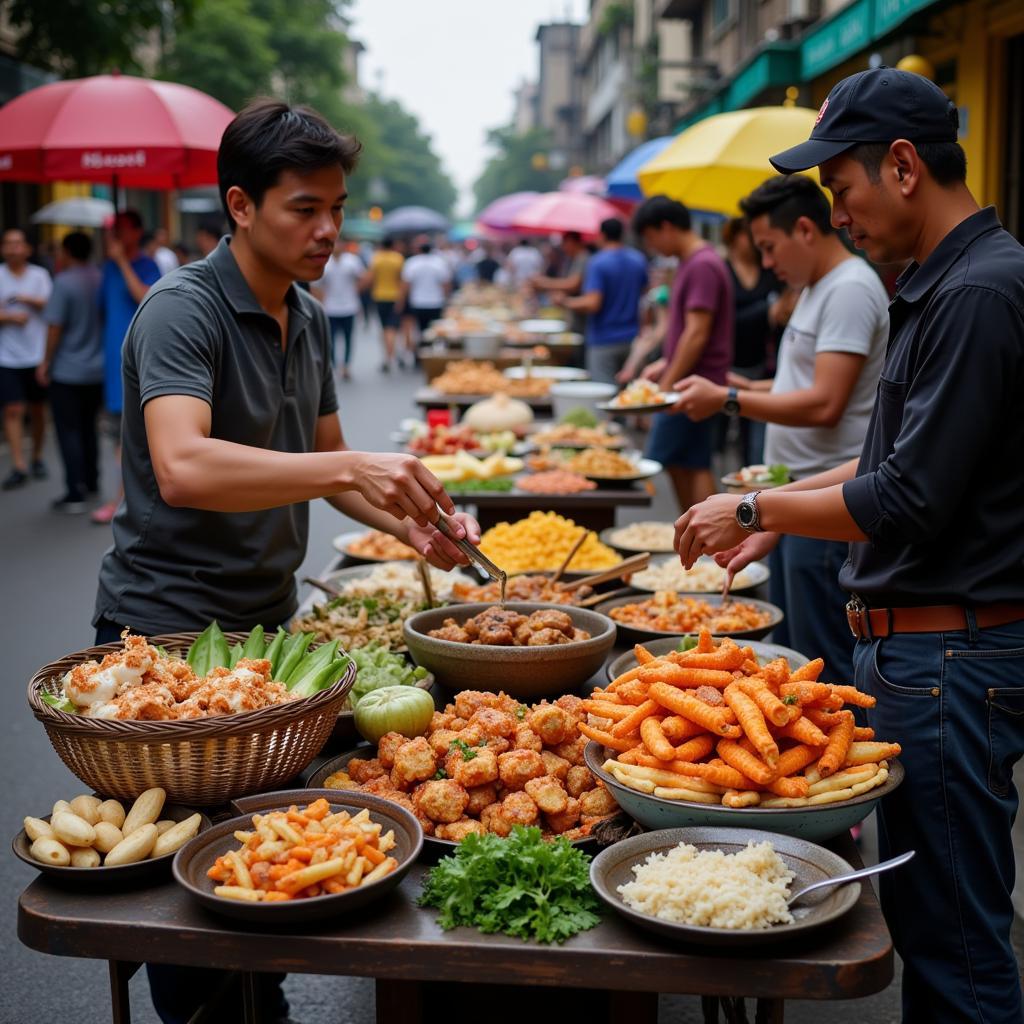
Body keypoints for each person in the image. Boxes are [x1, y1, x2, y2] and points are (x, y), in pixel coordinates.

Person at [93, 98, 480, 1024]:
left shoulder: (303, 315)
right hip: (167, 640)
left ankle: (263, 1005)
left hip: (268, 636)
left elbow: (324, 461)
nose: (329, 230)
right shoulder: (182, 311)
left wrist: (404, 518)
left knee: (263, 860)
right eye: (304, 208)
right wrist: (352, 465)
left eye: (337, 207)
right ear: (239, 205)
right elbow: (185, 466)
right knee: (189, 892)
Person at [673, 67, 1024, 1024]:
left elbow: (905, 496)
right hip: (924, 650)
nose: (840, 213)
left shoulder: (979, 294)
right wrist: (769, 505)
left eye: (842, 188)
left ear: (903, 166)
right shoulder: (937, 283)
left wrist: (753, 513)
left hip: (951, 654)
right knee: (932, 924)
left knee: (956, 946)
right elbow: (876, 458)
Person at [672, 176, 889, 680]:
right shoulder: (815, 288)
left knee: (820, 663)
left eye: (769, 247)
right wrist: (739, 385)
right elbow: (803, 382)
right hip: (795, 496)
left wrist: (729, 400)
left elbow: (825, 403)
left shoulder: (850, 289)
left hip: (829, 499)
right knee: (795, 653)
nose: (767, 263)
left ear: (806, 230)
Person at [628, 197, 732, 510]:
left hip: (692, 383)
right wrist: (665, 363)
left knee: (689, 461)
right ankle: (699, 534)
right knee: (684, 460)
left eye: (650, 237)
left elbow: (698, 332)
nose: (652, 246)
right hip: (689, 379)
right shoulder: (693, 261)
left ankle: (707, 536)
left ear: (666, 227)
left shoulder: (701, 264)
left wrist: (667, 385)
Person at [93, 210, 161, 524]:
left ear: (136, 232)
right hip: (111, 360)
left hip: (139, 358)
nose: (115, 237)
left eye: (121, 230)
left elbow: (146, 298)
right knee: (117, 434)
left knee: (135, 434)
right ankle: (124, 497)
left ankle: (124, 499)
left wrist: (122, 262)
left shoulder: (148, 265)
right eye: (113, 231)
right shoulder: (105, 268)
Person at [38, 232, 104, 514]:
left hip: (67, 370)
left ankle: (74, 491)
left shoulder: (63, 283)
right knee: (90, 427)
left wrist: (45, 361)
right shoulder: (100, 277)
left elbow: (55, 326)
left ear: (66, 252)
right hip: (98, 369)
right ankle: (92, 481)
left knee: (69, 430)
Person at [721, 216, 790, 465]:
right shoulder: (723, 269)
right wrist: (766, 312)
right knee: (721, 443)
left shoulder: (769, 270)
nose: (755, 244)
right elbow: (724, 320)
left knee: (756, 444)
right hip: (729, 365)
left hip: (762, 366)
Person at [558, 218, 647, 384]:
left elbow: (593, 303)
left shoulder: (598, 262)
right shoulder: (638, 259)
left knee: (603, 397)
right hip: (633, 340)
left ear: (602, 235)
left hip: (604, 340)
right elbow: (645, 296)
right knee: (631, 399)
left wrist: (566, 302)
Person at [0, 227, 53, 490]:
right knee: (12, 409)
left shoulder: (40, 275)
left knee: (37, 410)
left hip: (37, 354)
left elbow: (53, 307)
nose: (14, 248)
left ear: (28, 249)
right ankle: (18, 464)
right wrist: (8, 316)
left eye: (18, 243)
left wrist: (26, 300)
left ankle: (37, 456)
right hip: (6, 356)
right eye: (8, 243)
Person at [312, 235, 364, 379]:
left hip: (349, 306)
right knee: (331, 339)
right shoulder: (324, 262)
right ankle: (333, 365)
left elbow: (363, 278)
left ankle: (346, 365)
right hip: (330, 308)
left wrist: (356, 293)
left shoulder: (352, 261)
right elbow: (315, 285)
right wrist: (320, 303)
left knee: (348, 338)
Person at [529, 230, 588, 334]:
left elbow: (573, 284)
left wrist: (545, 283)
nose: (563, 247)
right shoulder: (571, 259)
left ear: (572, 242)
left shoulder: (583, 258)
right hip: (573, 316)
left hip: (582, 318)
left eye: (565, 243)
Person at [400, 241, 450, 353]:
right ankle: (432, 351)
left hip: (418, 302)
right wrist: (446, 298)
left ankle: (420, 353)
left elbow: (406, 284)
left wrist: (402, 301)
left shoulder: (412, 263)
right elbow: (446, 284)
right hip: (436, 302)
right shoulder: (439, 263)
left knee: (419, 330)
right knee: (434, 330)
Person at [369, 236, 404, 371]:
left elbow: (371, 278)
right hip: (395, 297)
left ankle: (388, 357)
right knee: (393, 329)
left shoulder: (376, 258)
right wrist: (401, 299)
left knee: (384, 329)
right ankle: (392, 355)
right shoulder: (398, 258)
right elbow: (401, 280)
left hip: (380, 297)